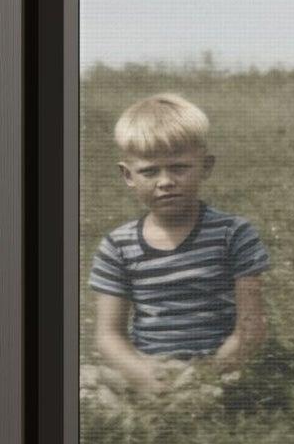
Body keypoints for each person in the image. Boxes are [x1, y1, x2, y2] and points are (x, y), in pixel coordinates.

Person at [87, 93, 270, 401]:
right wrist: (144, 375)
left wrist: (208, 373)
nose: (165, 181)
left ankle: (178, 408)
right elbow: (109, 335)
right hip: (149, 367)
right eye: (150, 171)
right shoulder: (117, 246)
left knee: (229, 391)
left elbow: (250, 327)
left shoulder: (233, 234)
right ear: (127, 175)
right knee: (79, 385)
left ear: (205, 166)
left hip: (219, 364)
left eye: (179, 168)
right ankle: (150, 412)